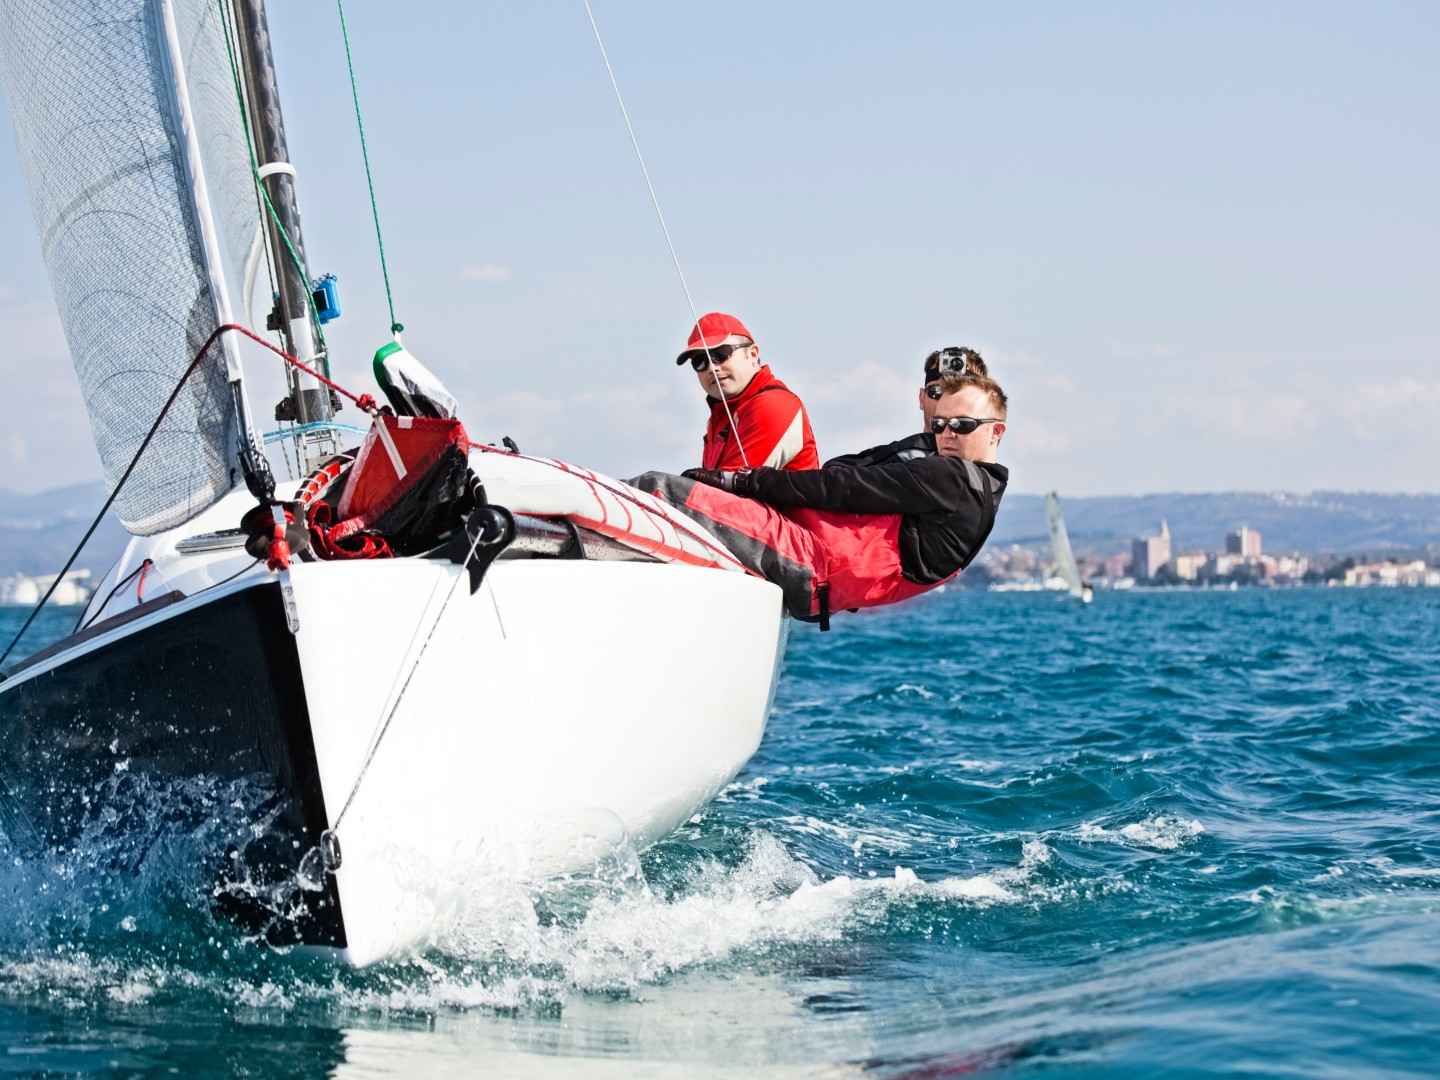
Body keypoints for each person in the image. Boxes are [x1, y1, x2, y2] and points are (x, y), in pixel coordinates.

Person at [631, 369, 1008, 626]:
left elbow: (840, 486)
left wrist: (742, 481)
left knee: (660, 490)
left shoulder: (950, 477)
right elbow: (845, 470)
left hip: (807, 557)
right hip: (813, 573)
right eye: (939, 425)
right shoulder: (983, 495)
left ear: (996, 432)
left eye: (962, 425)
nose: (947, 434)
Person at [675, 311, 819, 472]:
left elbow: (729, 489)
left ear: (752, 354)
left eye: (720, 354)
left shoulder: (773, 404)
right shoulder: (720, 416)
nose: (712, 367)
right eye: (699, 361)